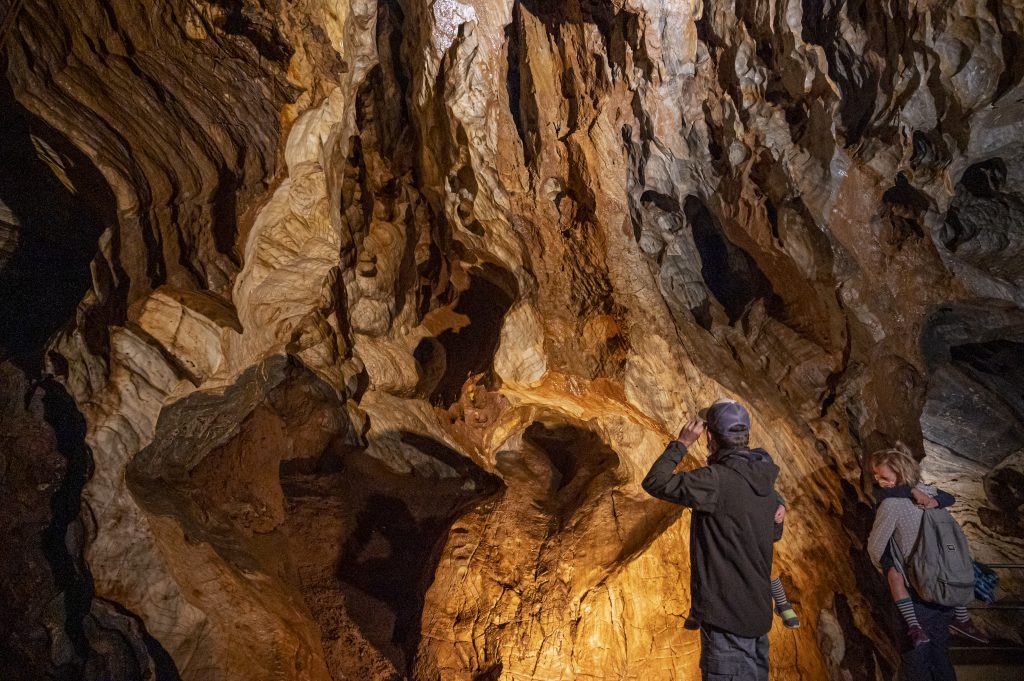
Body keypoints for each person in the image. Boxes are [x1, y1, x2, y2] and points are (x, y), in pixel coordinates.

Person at [642, 399, 780, 681]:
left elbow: (655, 482)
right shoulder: (765, 480)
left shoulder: (715, 480)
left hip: (727, 623)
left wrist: (681, 443)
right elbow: (774, 532)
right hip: (757, 618)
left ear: (709, 437)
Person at [866, 443, 979, 681]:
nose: (879, 480)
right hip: (943, 588)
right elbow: (949, 498)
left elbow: (875, 548)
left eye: (884, 476)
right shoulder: (932, 495)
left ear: (900, 473)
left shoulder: (892, 505)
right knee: (940, 655)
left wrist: (887, 566)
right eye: (876, 475)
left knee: (916, 660)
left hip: (915, 591)